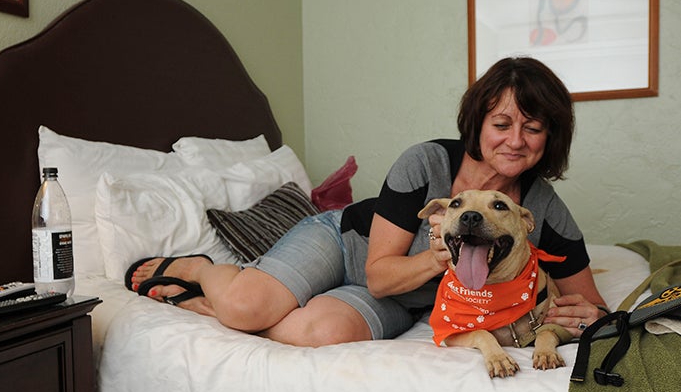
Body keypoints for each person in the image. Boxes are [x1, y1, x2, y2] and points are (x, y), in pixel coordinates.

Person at [128, 56, 607, 347]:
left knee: (321, 333)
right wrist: (443, 255)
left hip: (409, 301)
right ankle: (198, 270)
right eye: (502, 124)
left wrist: (588, 315)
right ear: (478, 123)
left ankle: (209, 308)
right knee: (246, 308)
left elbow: (592, 304)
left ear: (551, 137)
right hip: (347, 245)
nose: (515, 140)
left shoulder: (541, 207)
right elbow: (379, 274)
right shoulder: (425, 163)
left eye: (533, 128)